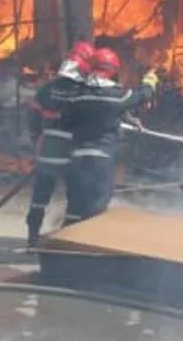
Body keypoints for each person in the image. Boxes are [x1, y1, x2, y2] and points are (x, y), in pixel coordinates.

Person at [60, 47, 158, 225]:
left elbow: (93, 110)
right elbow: (142, 96)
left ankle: (64, 238)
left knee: (75, 207)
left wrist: (125, 117)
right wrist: (149, 80)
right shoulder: (116, 96)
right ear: (112, 71)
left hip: (75, 158)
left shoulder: (77, 95)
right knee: (97, 208)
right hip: (101, 160)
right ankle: (87, 238)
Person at [25, 40, 94, 247]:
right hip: (73, 154)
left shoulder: (47, 89)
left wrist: (37, 140)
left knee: (40, 196)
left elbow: (33, 117)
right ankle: (68, 240)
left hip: (48, 150)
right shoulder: (84, 91)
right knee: (75, 196)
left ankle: (32, 238)